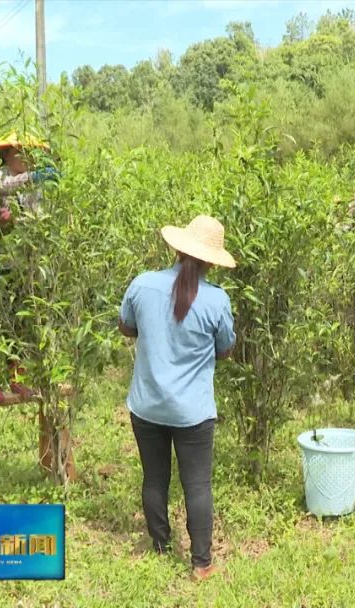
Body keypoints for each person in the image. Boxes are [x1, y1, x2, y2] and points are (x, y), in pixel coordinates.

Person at [118, 215, 237, 581]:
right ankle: (201, 563)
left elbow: (126, 327)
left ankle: (159, 545)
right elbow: (225, 349)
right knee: (197, 484)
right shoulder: (216, 300)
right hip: (193, 412)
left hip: (147, 405)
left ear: (176, 247)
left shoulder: (142, 284)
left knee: (155, 479)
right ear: (212, 261)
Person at [0, 133, 59, 404]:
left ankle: (17, 376)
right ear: (6, 155)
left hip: (16, 263)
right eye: (20, 153)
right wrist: (32, 179)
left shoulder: (34, 188)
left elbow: (37, 220)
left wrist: (20, 219)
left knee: (20, 318)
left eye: (31, 154)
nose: (26, 159)